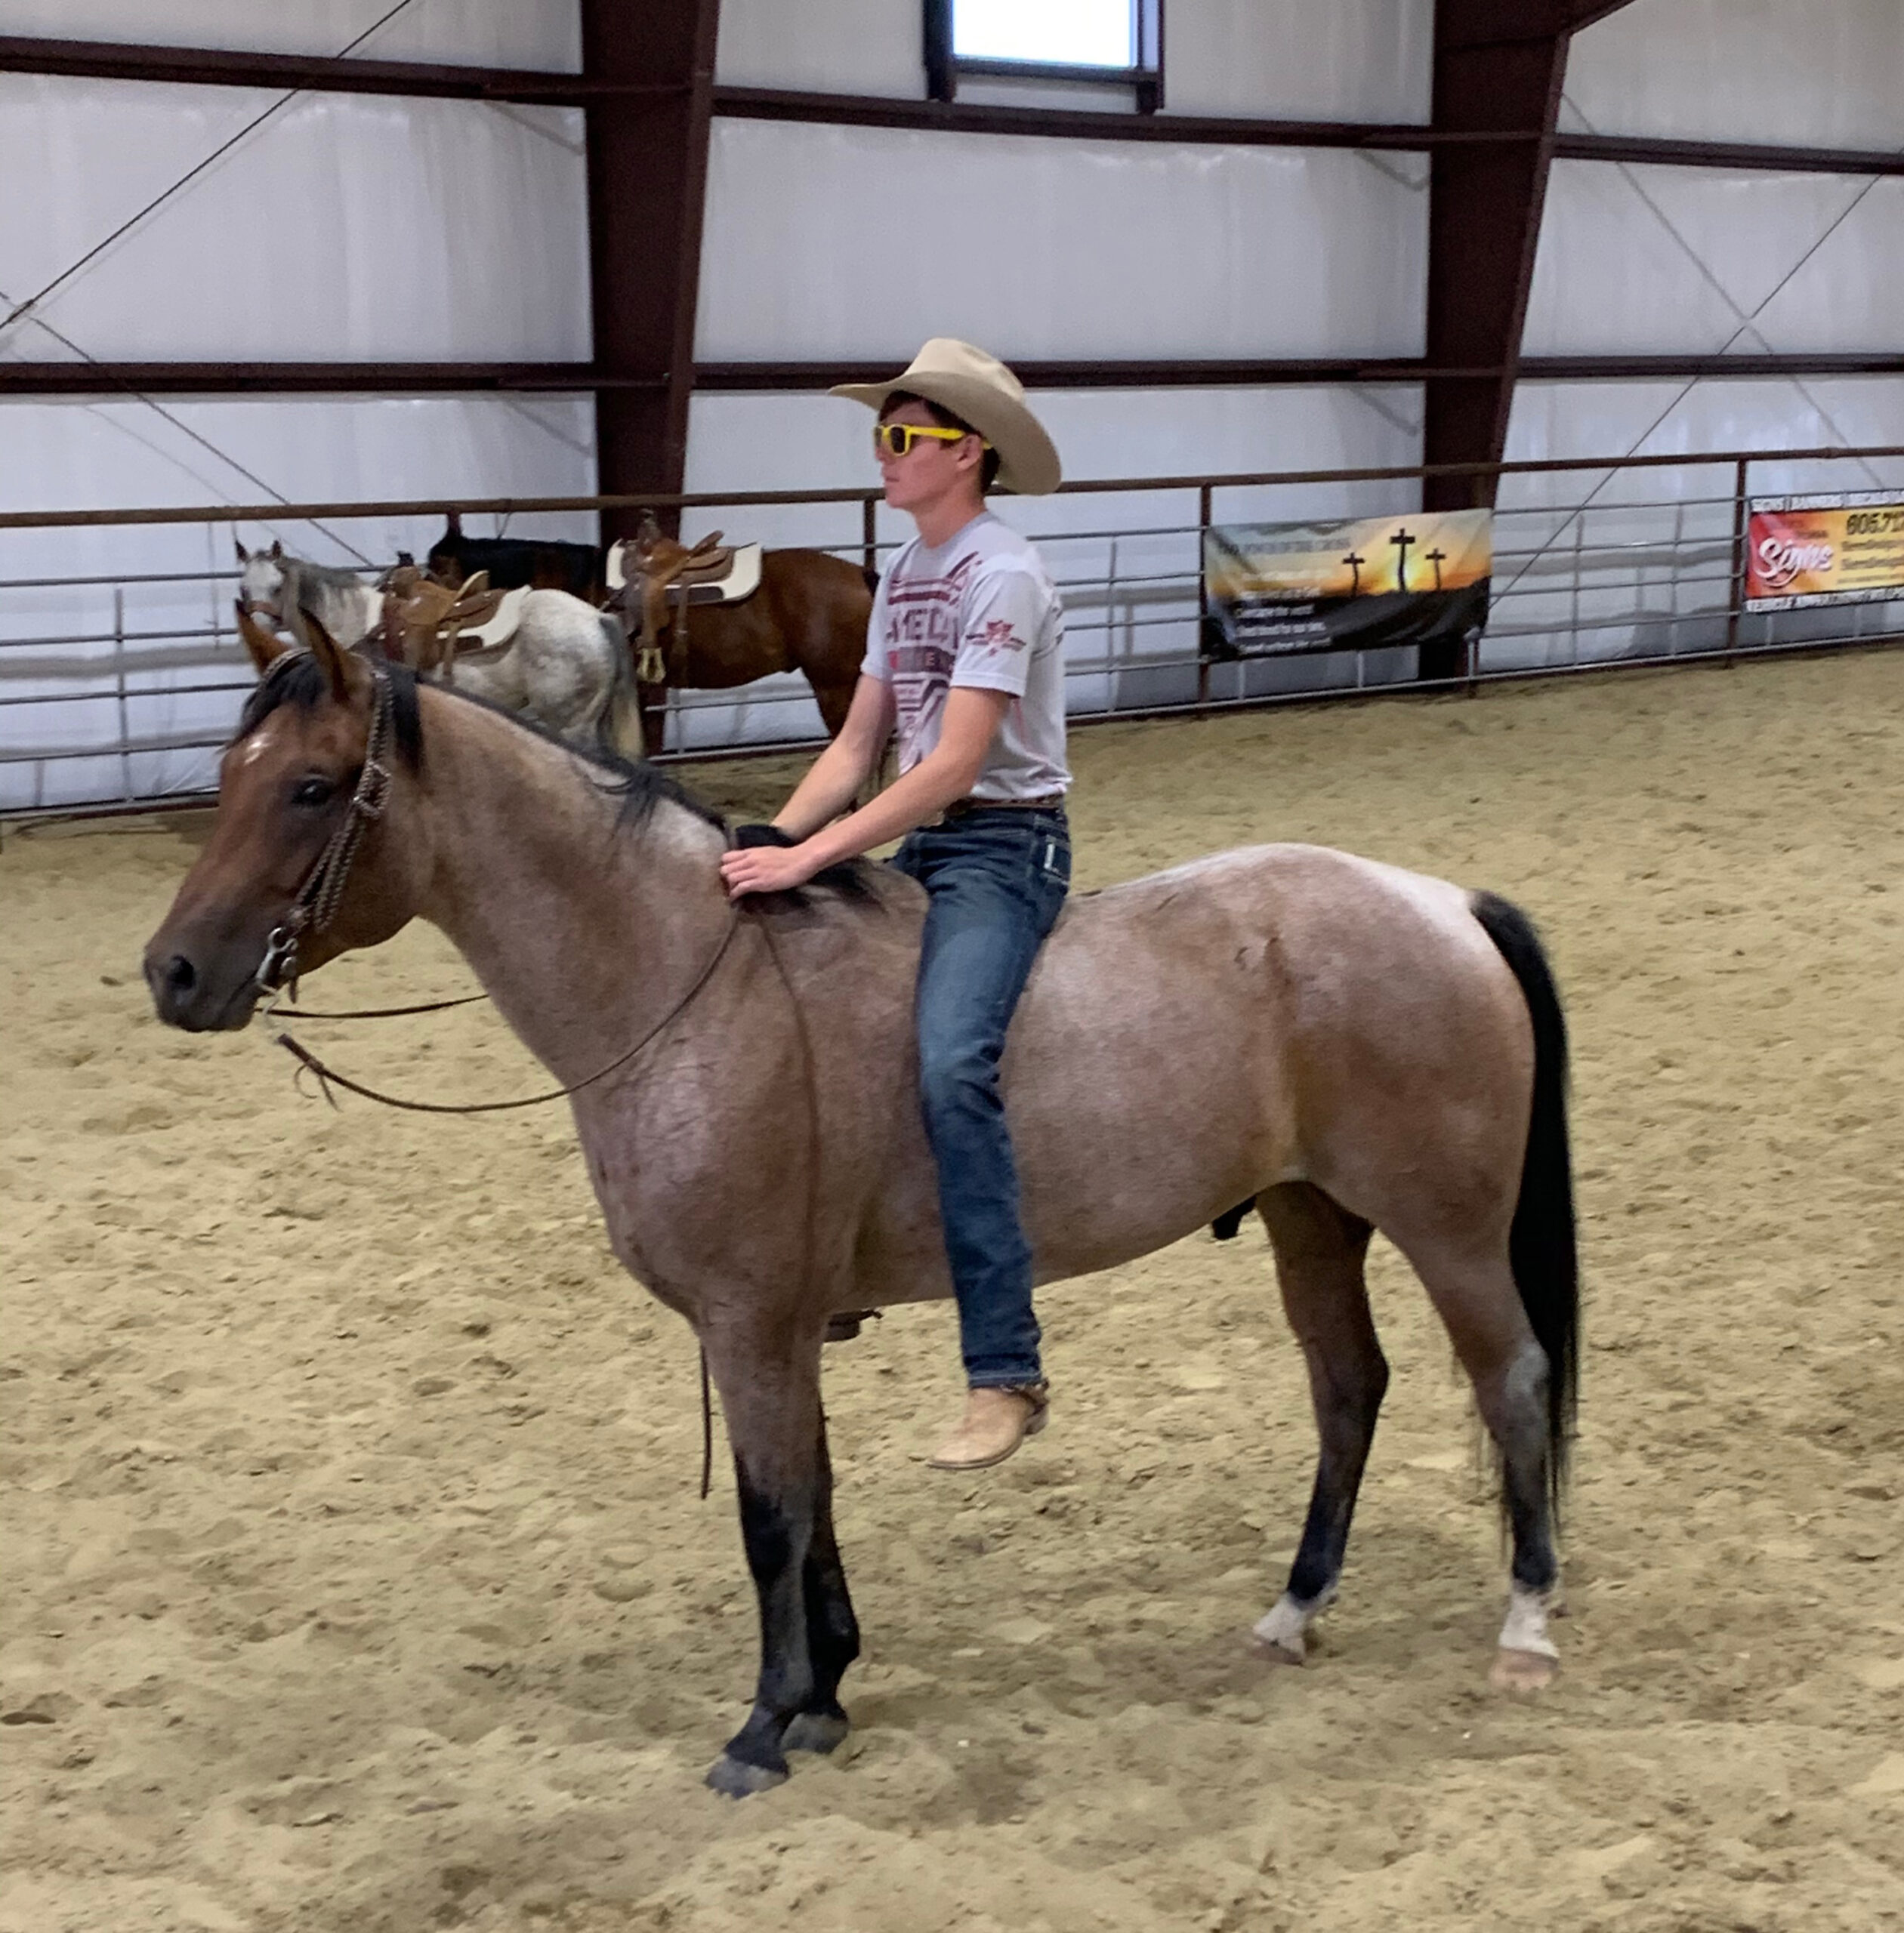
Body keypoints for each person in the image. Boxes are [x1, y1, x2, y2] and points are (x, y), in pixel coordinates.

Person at [718, 339, 1070, 1472]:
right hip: (925, 842)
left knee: (950, 1063)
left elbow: (954, 762)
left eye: (904, 437)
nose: (884, 452)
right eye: (882, 433)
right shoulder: (908, 575)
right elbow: (858, 744)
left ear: (965, 454)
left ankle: (1004, 1366)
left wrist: (818, 851)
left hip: (1006, 846)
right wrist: (770, 841)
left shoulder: (1000, 574)